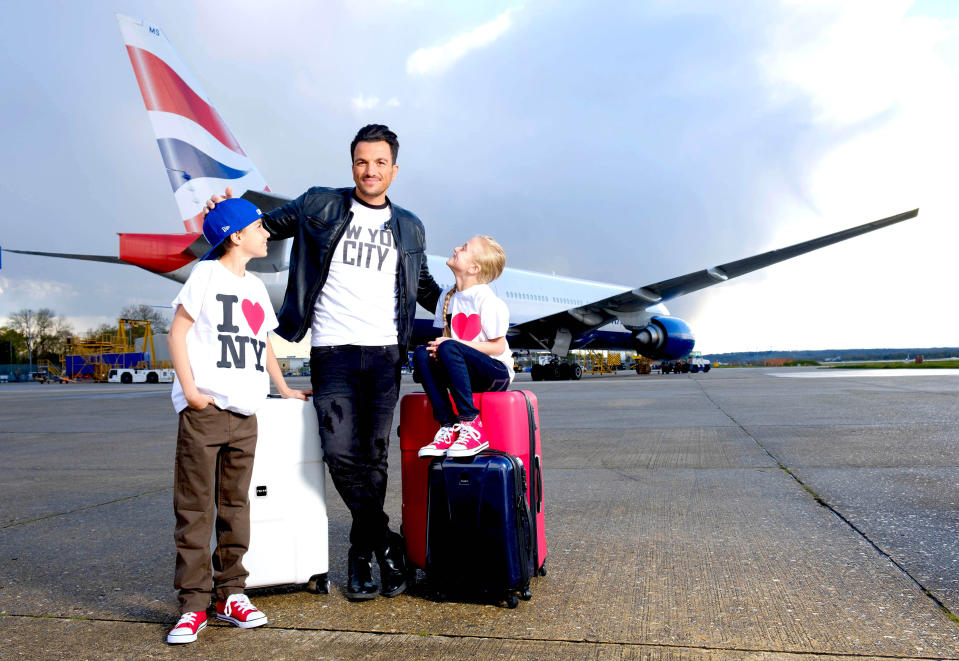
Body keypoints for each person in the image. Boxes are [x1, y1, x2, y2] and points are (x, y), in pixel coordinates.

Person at [204, 125, 440, 601]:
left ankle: (360, 553)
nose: (369, 171)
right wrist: (225, 215)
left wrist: (470, 293)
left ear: (394, 169)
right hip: (332, 349)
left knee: (373, 458)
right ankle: (386, 542)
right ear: (351, 164)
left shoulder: (410, 225)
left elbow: (426, 288)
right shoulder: (319, 205)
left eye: (379, 163)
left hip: (384, 353)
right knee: (338, 453)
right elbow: (262, 227)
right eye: (361, 161)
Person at [166, 198, 309, 645]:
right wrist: (190, 391)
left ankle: (231, 593)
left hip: (247, 413)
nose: (267, 234)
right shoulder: (207, 275)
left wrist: (283, 389)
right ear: (235, 235)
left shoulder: (255, 288)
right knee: (195, 509)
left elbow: (264, 343)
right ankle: (192, 604)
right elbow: (178, 331)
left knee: (236, 507)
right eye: (259, 227)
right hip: (207, 413)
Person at [415, 235, 514, 458]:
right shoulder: (447, 298)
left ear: (473, 268)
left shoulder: (487, 300)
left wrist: (453, 344)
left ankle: (471, 424)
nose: (456, 247)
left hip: (495, 374)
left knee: (449, 346)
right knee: (422, 354)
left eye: (464, 248)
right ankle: (448, 426)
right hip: (464, 371)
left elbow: (498, 347)